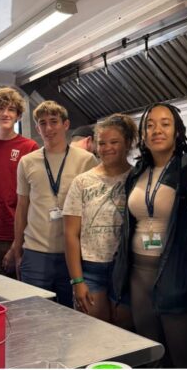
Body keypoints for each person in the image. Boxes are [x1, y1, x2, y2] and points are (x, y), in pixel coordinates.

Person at [112, 102, 187, 368]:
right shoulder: (138, 172)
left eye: (165, 124)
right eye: (149, 125)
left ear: (177, 131)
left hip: (176, 271)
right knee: (150, 350)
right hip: (138, 272)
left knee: (181, 355)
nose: (156, 130)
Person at [13, 100, 97, 307]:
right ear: (37, 128)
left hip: (73, 255)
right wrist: (17, 248)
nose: (49, 128)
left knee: (74, 317)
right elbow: (22, 207)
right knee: (34, 314)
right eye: (43, 123)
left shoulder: (86, 160)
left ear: (65, 125)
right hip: (35, 252)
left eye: (54, 121)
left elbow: (92, 209)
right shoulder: (27, 162)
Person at [63, 114, 137, 325]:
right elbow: (70, 233)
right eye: (101, 143)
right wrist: (77, 281)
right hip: (90, 269)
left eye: (114, 142)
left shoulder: (138, 178)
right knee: (94, 330)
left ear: (128, 144)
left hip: (126, 267)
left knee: (125, 331)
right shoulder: (82, 182)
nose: (107, 148)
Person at [0, 87, 38, 276]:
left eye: (11, 109)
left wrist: (17, 243)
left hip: (11, 234)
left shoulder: (29, 147)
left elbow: (33, 197)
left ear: (18, 115)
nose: (5, 113)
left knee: (14, 295)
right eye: (0, 108)